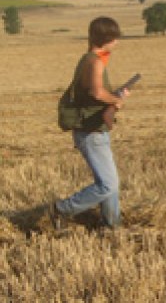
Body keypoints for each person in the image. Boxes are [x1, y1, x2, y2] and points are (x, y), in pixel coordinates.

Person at [50, 16, 130, 230]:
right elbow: (96, 91)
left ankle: (111, 224)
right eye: (115, 37)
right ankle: (62, 209)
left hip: (94, 129)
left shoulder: (88, 58)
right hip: (90, 132)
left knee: (110, 183)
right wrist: (116, 100)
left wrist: (115, 95)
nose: (117, 41)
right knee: (108, 184)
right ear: (108, 38)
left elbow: (93, 94)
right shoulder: (94, 62)